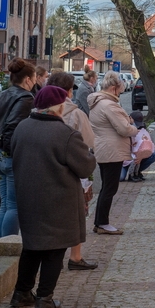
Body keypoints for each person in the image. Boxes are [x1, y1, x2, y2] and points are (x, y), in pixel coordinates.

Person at [9, 86, 96, 308]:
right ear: (59, 107)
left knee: (31, 247)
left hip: (28, 197)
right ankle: (44, 300)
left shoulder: (22, 128)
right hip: (58, 200)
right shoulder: (65, 134)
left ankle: (21, 293)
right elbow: (85, 166)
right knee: (54, 250)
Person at [47, 72, 98, 270]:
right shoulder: (76, 113)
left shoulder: (38, 109)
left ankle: (50, 256)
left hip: (45, 170)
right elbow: (89, 141)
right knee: (75, 215)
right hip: (71, 171)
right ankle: (75, 256)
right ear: (69, 92)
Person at [0, 58, 36, 238]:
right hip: (10, 156)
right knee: (14, 206)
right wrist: (13, 153)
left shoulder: (2, 94)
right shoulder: (25, 97)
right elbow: (12, 127)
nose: (36, 81)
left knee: (5, 203)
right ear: (28, 79)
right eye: (35, 77)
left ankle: (0, 244)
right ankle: (8, 248)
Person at [88, 71, 137, 235]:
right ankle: (102, 223)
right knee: (109, 188)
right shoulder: (109, 105)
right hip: (111, 150)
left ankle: (100, 222)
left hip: (104, 148)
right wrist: (134, 128)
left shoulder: (99, 102)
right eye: (121, 88)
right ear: (114, 88)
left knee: (106, 188)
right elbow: (123, 128)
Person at [120, 111, 155, 182]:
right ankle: (129, 171)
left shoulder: (143, 131)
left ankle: (136, 172)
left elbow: (149, 146)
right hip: (124, 159)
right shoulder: (124, 129)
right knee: (120, 178)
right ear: (130, 118)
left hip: (136, 156)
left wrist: (141, 156)